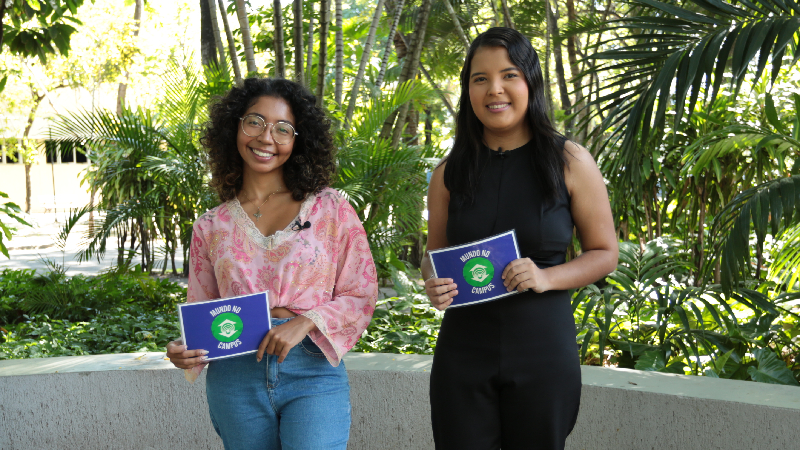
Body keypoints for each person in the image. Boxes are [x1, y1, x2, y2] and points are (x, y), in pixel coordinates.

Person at [421, 27, 619, 450]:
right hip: (462, 354)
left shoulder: (569, 161)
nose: (495, 89)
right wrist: (432, 282)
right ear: (468, 91)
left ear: (530, 82)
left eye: (509, 75)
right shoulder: (447, 174)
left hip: (542, 352)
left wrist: (547, 277)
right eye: (480, 79)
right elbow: (433, 254)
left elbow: (605, 254)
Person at [165, 77, 378, 450]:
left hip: (310, 365)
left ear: (298, 141)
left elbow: (361, 292)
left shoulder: (331, 209)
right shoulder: (211, 226)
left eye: (283, 129)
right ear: (235, 127)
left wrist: (305, 322)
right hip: (235, 374)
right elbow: (204, 311)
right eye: (255, 122)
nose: (266, 137)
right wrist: (185, 349)